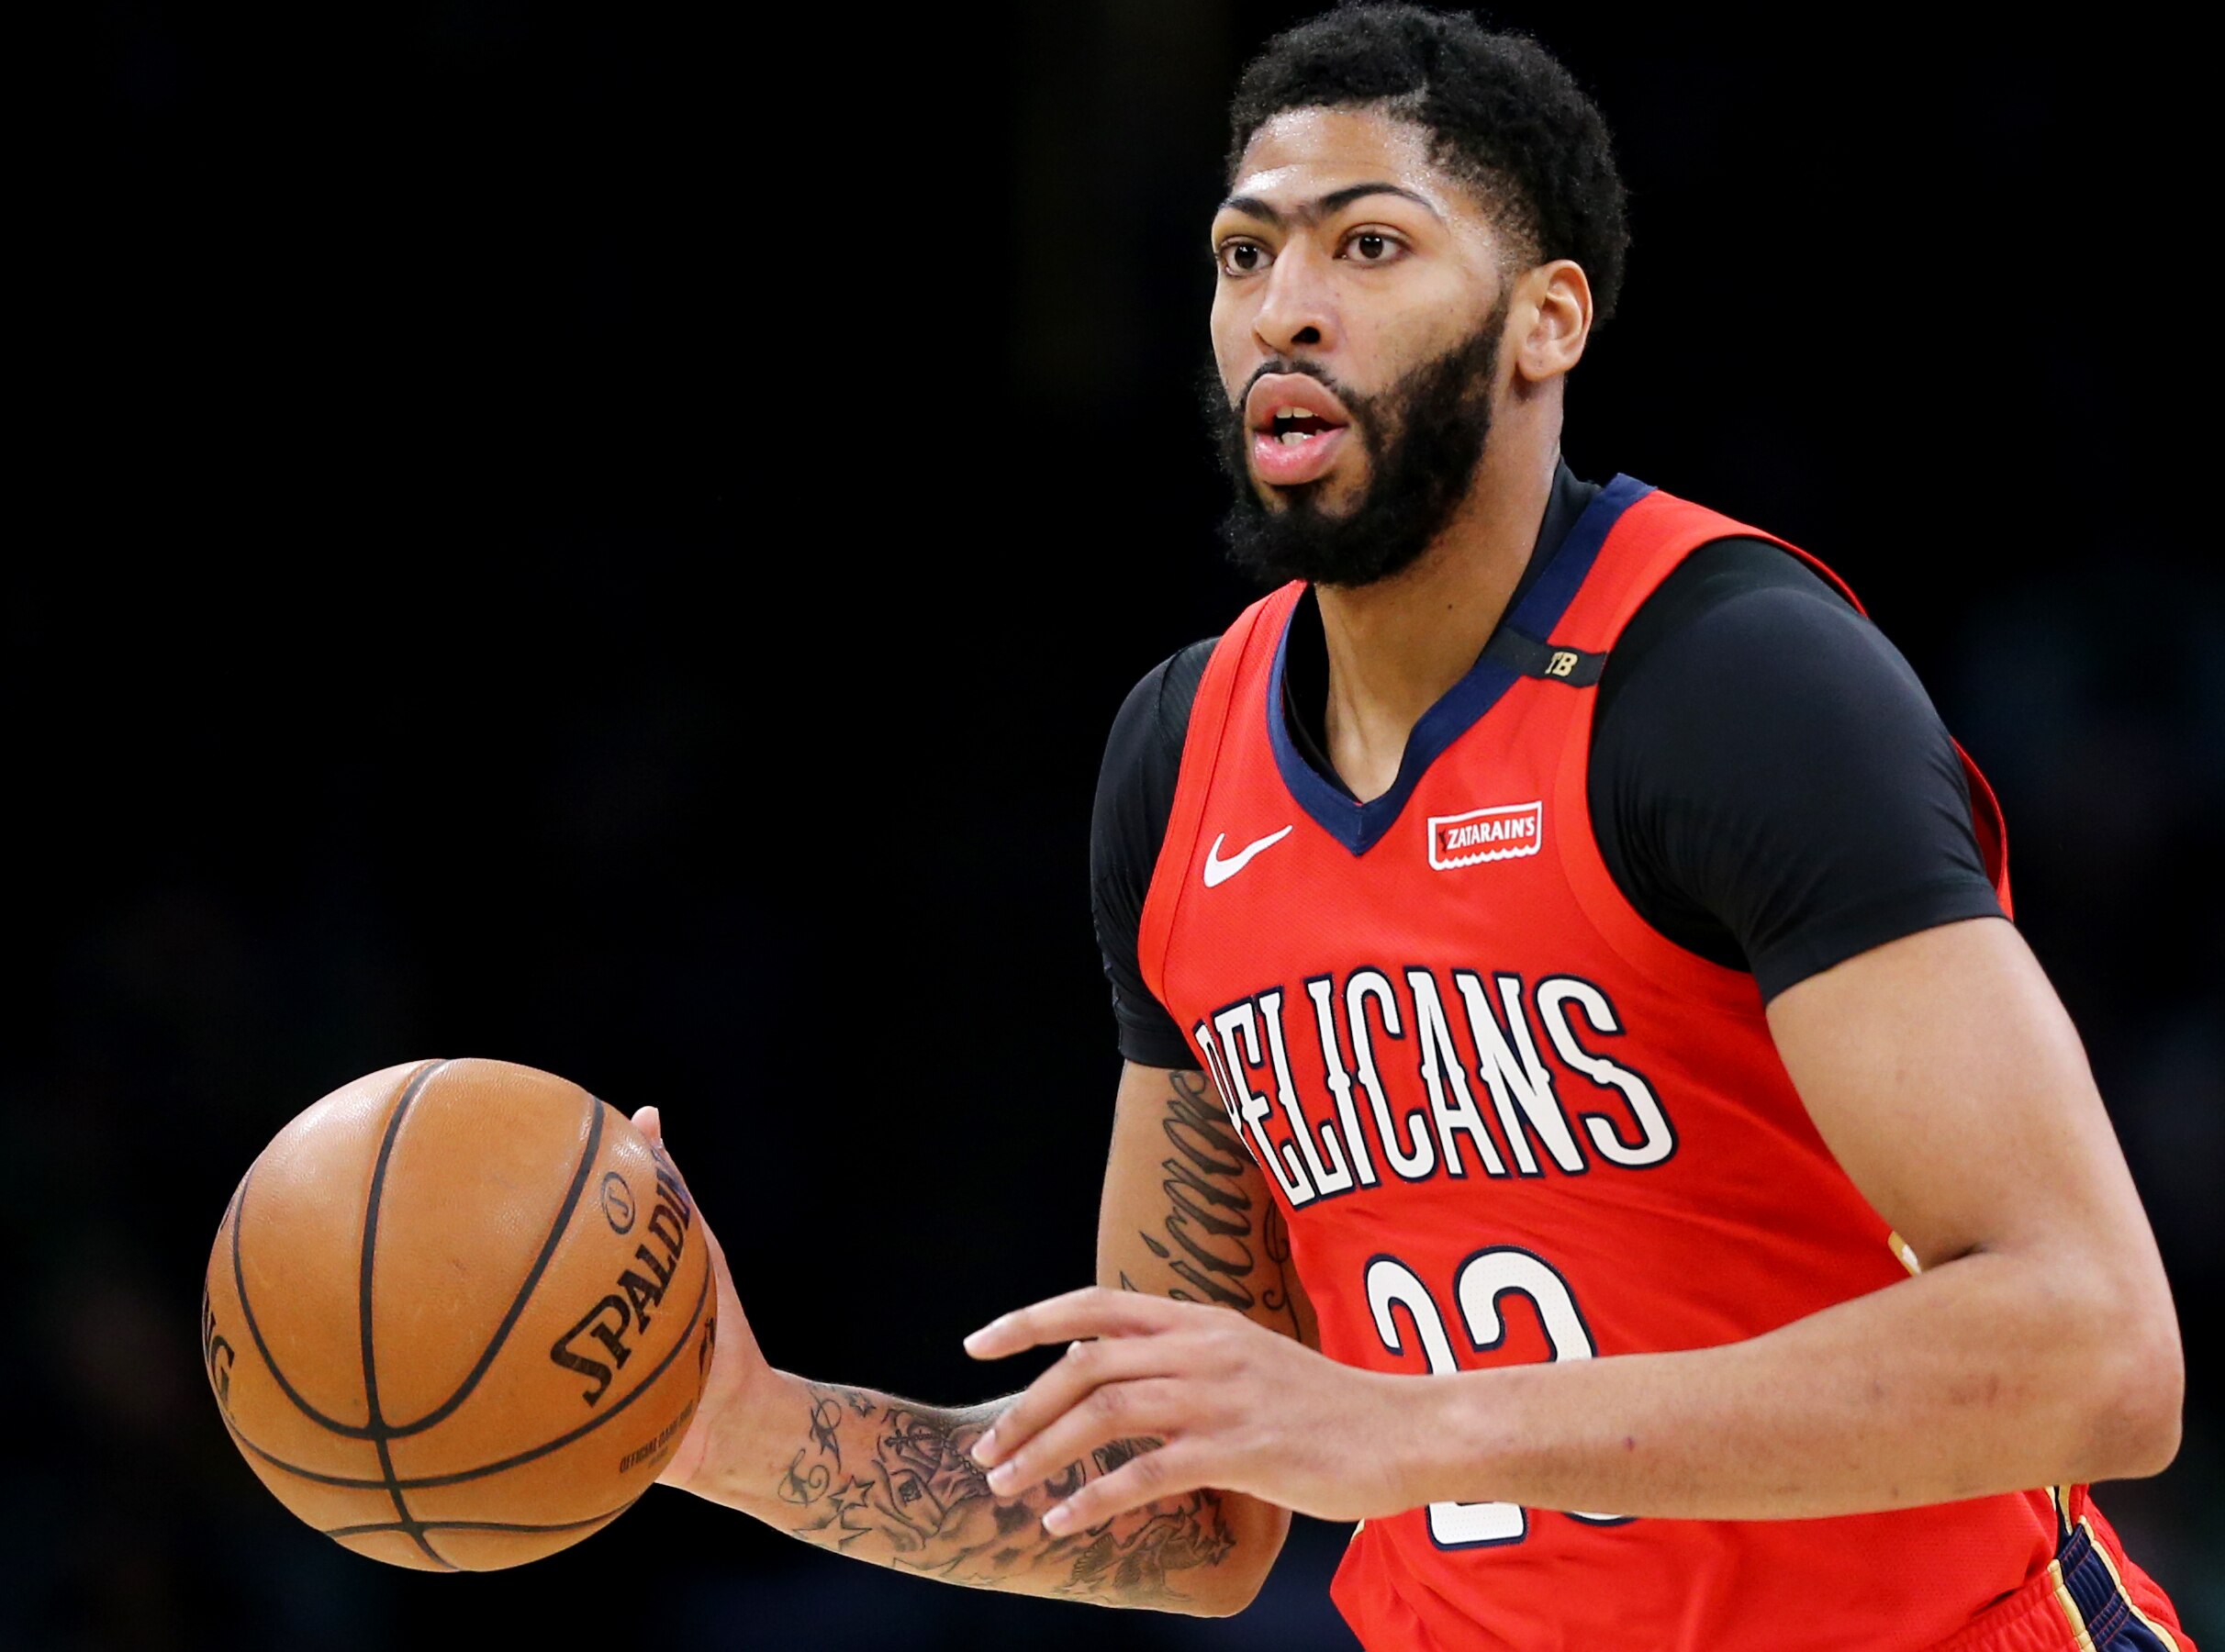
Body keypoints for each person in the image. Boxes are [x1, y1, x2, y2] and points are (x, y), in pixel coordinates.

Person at [638, 6, 2195, 1646]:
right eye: (1246, 256)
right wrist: (734, 1432)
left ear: (1546, 320)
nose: (1285, 310)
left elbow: (2099, 1352)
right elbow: (1184, 1514)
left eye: (1369, 245)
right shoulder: (1182, 759)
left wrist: (1408, 1428)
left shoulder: (1727, 682)